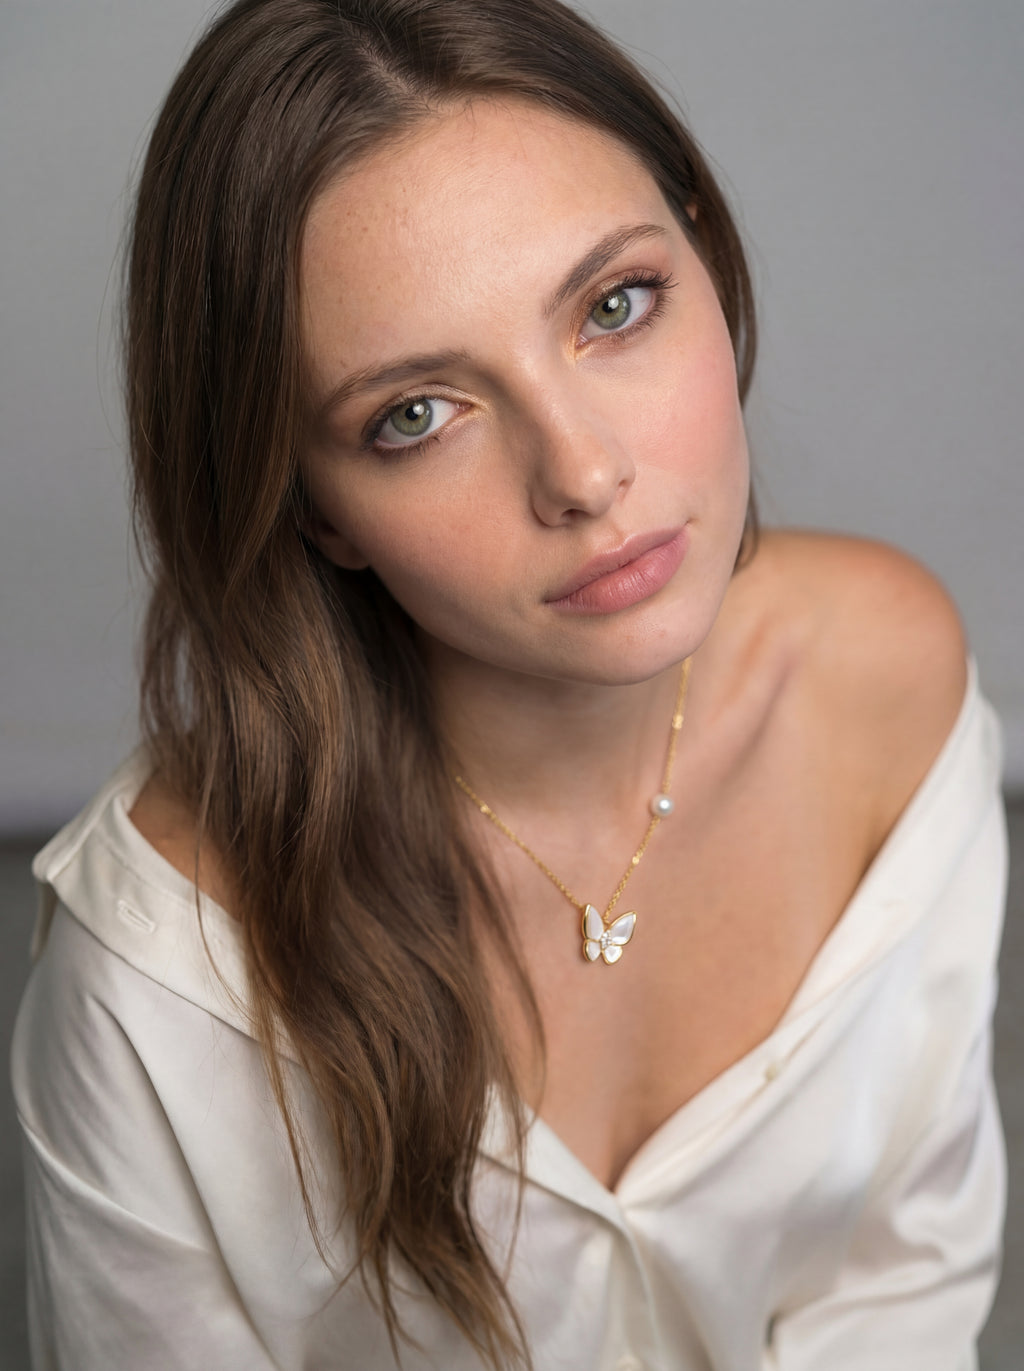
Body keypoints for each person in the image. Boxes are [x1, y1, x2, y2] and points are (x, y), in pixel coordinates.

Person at [11, 0, 1007, 1367]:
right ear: (313, 510)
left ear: (706, 254)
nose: (585, 474)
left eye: (615, 306)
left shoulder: (885, 680)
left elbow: (904, 1279)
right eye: (414, 415)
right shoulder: (165, 966)